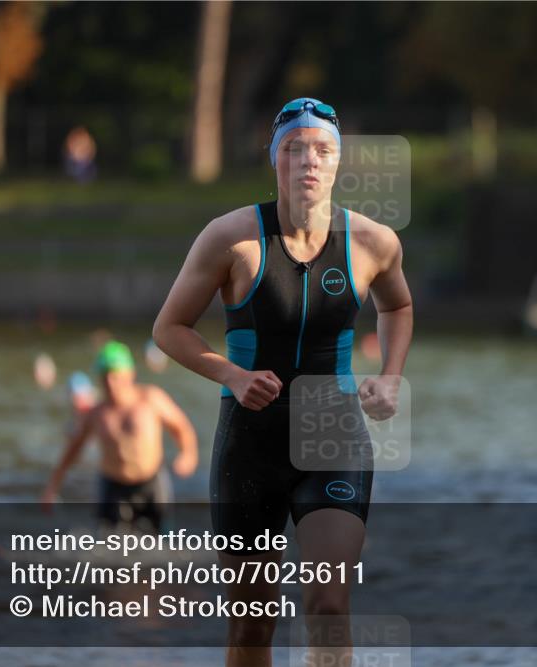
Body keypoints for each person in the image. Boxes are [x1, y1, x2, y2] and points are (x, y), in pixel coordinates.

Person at [152, 98, 413, 667]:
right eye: (294, 149)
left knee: (326, 606)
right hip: (249, 442)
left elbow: (398, 306)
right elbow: (168, 328)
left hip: (333, 435)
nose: (308, 162)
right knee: (251, 629)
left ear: (338, 163)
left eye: (322, 150)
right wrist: (232, 375)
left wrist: (389, 377)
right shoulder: (231, 238)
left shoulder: (374, 242)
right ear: (276, 161)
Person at [42, 341, 199, 533]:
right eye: (105, 375)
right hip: (112, 485)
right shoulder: (96, 413)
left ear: (129, 374)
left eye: (115, 374)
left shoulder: (150, 399)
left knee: (164, 542)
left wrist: (188, 455)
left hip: (151, 481)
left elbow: (181, 427)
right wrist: (52, 486)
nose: (110, 382)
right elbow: (73, 450)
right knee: (108, 548)